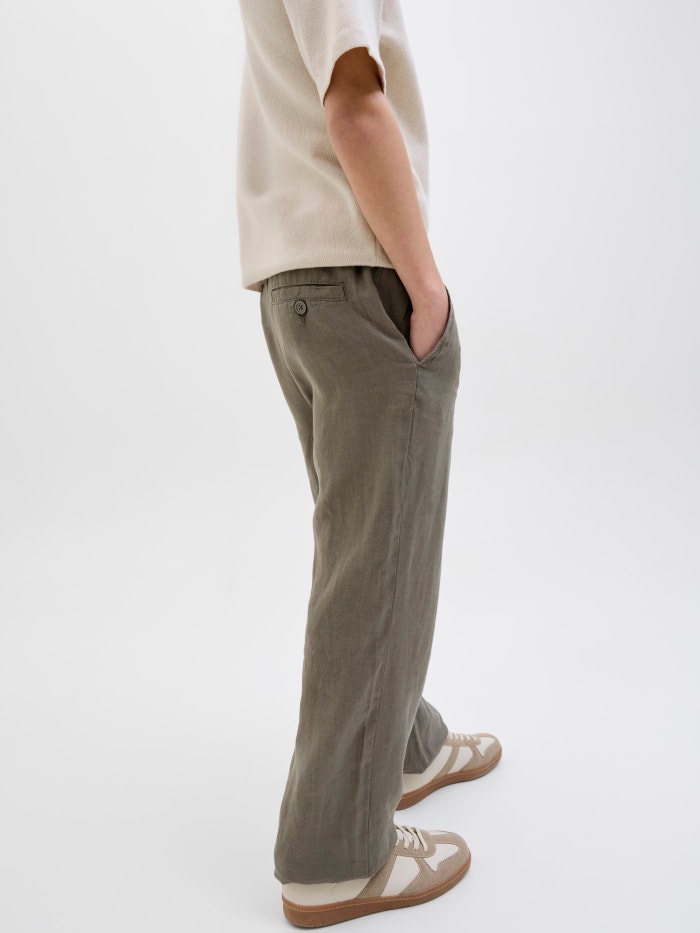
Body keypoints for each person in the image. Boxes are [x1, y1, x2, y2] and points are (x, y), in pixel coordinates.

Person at [235, 1, 502, 926]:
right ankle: (335, 856)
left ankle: (403, 746)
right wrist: (427, 287)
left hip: (301, 283)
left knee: (372, 543)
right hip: (358, 277)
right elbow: (354, 107)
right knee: (377, 559)